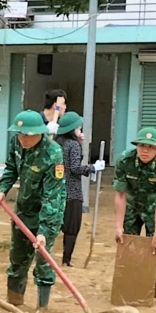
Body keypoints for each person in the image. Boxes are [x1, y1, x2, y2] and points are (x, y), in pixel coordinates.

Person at [0, 110, 65, 311]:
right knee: (17, 258)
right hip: (23, 209)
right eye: (20, 134)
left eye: (28, 135)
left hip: (49, 211)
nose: (23, 139)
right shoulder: (16, 143)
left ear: (40, 133)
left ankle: (42, 309)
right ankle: (14, 304)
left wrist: (43, 231)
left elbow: (51, 196)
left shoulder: (53, 153)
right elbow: (11, 168)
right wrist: (3, 189)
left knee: (43, 261)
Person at [113, 127, 156, 296]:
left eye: (151, 147)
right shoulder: (124, 160)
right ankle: (128, 287)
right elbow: (120, 195)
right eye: (142, 146)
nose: (145, 150)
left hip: (155, 208)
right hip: (131, 207)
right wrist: (118, 226)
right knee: (127, 246)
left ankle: (154, 290)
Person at [55, 111, 105, 266]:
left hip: (56, 191)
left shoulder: (56, 143)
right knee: (72, 228)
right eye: (78, 128)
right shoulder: (73, 145)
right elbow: (75, 168)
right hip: (72, 192)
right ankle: (66, 260)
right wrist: (93, 168)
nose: (80, 130)